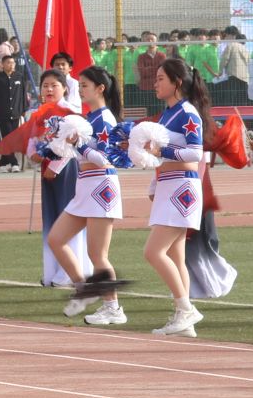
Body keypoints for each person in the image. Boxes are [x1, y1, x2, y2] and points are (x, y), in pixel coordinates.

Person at [49, 66, 130, 326]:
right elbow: (80, 153)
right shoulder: (89, 117)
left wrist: (77, 144)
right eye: (80, 85)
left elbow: (105, 159)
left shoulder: (105, 119)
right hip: (85, 185)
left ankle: (113, 308)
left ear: (100, 88)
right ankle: (84, 289)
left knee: (97, 254)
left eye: (85, 85)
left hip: (101, 185)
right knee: (56, 239)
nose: (80, 89)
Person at [139, 59, 213, 336]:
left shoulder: (188, 113)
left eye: (161, 79)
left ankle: (186, 309)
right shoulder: (168, 114)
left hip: (182, 188)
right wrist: (154, 183)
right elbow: (161, 154)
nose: (155, 83)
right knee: (175, 255)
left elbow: (195, 152)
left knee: (153, 252)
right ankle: (185, 320)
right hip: (169, 185)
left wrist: (162, 152)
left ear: (177, 83)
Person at [26, 69, 88, 288]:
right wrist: (33, 155)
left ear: (64, 89)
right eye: (45, 86)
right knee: (51, 219)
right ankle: (52, 272)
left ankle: (70, 273)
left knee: (66, 217)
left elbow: (72, 146)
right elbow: (32, 142)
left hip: (66, 170)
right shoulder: (38, 114)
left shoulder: (69, 113)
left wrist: (55, 166)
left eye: (54, 85)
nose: (49, 89)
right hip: (47, 170)